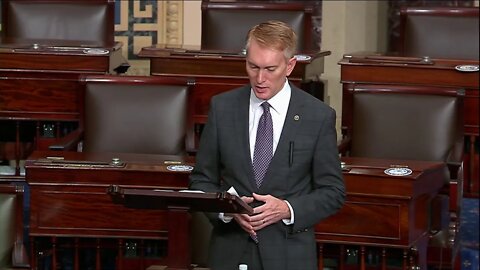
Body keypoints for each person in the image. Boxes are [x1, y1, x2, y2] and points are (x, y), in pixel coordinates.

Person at [189, 20, 345, 270]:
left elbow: (333, 192)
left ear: (290, 66)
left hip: (289, 255)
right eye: (253, 67)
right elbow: (201, 181)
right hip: (231, 253)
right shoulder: (223, 108)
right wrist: (228, 210)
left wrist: (287, 209)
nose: (260, 78)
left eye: (270, 69)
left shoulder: (318, 116)